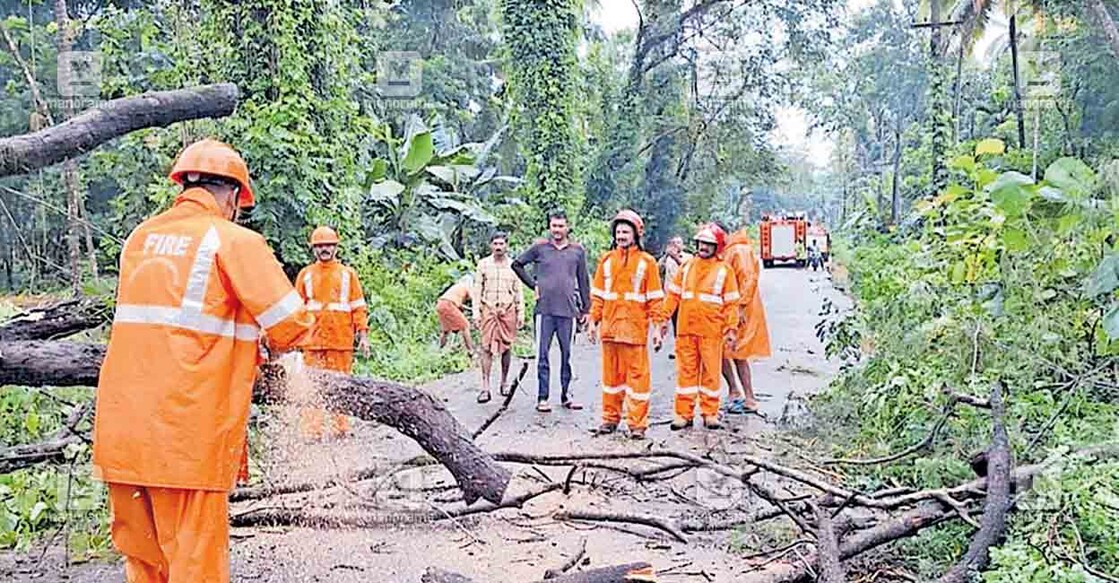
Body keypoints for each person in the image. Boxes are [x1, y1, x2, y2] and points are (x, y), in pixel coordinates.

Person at [92, 138, 315, 582]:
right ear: (233, 196)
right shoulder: (232, 239)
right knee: (194, 567)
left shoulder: (140, 238)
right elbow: (291, 324)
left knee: (145, 565)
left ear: (183, 185)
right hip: (186, 439)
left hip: (122, 434)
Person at [587, 210, 665, 440]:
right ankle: (610, 419)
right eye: (618, 231)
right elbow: (599, 296)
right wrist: (593, 321)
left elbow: (654, 299)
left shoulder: (647, 262)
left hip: (634, 332)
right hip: (610, 331)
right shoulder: (606, 261)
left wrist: (658, 329)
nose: (621, 235)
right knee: (611, 379)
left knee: (638, 380)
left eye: (625, 231)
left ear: (635, 234)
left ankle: (637, 424)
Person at [658, 223, 740, 430]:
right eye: (701, 243)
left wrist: (731, 329)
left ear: (717, 247)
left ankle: (710, 413)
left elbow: (731, 303)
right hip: (686, 331)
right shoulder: (687, 267)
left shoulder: (724, 271)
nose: (703, 247)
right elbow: (673, 296)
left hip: (711, 332)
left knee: (711, 374)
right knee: (686, 373)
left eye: (708, 244)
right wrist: (663, 320)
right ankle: (684, 414)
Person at [294, 226, 370, 441]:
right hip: (312, 341)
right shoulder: (305, 275)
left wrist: (363, 334)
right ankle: (313, 430)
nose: (324, 249)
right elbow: (296, 309)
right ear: (313, 249)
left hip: (341, 340)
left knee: (341, 385)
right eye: (319, 246)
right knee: (312, 386)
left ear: (336, 247)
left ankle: (341, 428)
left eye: (328, 245)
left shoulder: (348, 274)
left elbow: (358, 306)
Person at [512, 210, 591, 412]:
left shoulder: (577, 251)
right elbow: (517, 265)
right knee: (542, 355)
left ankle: (567, 395)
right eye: (554, 226)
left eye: (560, 226)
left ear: (567, 227)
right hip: (544, 310)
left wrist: (586, 309)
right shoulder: (540, 248)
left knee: (568, 355)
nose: (557, 230)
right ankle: (542, 397)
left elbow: (583, 280)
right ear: (550, 227)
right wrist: (533, 285)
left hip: (568, 311)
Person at [721, 227, 772, 415]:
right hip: (730, 309)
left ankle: (749, 398)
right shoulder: (728, 251)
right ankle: (735, 391)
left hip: (741, 310)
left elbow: (748, 279)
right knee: (723, 351)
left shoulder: (738, 250)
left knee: (738, 352)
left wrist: (740, 307)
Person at [473, 232, 526, 403]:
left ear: (507, 245)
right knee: (486, 347)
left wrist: (520, 312)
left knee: (506, 346)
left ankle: (504, 383)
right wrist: (476, 313)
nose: (498, 247)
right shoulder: (483, 265)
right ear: (490, 245)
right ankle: (485, 387)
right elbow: (477, 290)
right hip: (488, 309)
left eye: (501, 243)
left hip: (507, 310)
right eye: (495, 243)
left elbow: (519, 291)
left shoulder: (514, 266)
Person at [436, 274, 476, 352]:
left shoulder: (457, 287)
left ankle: (439, 350)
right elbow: (474, 299)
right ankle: (471, 351)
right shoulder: (466, 287)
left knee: (446, 330)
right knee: (465, 326)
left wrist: (470, 309)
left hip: (440, 304)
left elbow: (459, 305)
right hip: (448, 305)